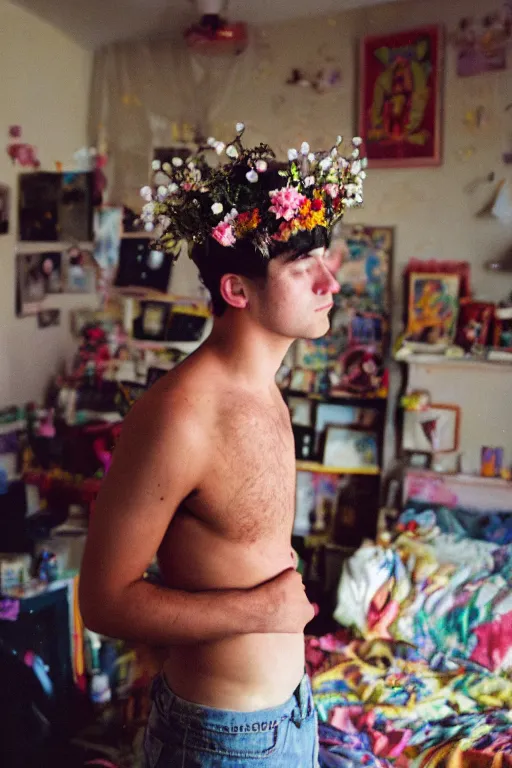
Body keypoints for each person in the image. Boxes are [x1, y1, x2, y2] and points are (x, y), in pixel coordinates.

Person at [79, 125, 365, 767]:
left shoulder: (267, 386)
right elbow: (103, 600)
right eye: (301, 267)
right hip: (223, 740)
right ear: (237, 290)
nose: (330, 284)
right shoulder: (179, 416)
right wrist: (261, 607)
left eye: (324, 259)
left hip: (293, 714)